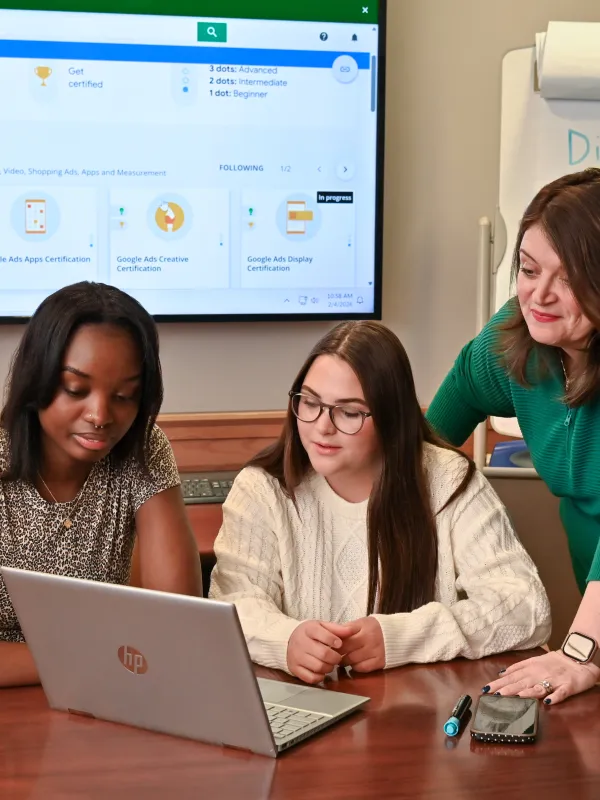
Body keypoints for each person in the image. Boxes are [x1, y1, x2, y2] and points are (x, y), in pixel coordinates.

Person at [209, 321, 550, 685]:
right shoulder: (261, 488)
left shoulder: (447, 479)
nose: (322, 426)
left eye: (349, 412)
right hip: (301, 708)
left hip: (415, 714)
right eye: (309, 402)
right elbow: (232, 605)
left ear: (391, 418)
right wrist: (285, 640)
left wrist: (400, 637)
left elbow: (525, 606)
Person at [426, 168, 600, 705]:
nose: (539, 295)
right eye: (528, 269)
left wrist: (580, 651)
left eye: (568, 279)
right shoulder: (516, 338)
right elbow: (428, 441)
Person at [0, 281, 202, 687]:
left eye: (125, 395)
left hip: (105, 692)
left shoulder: (141, 447)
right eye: (76, 389)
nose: (100, 415)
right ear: (37, 378)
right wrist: (91, 656)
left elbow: (180, 622)